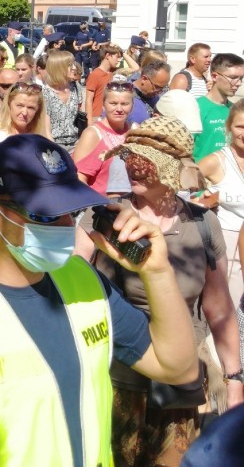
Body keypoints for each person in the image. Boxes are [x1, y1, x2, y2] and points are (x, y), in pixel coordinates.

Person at [0, 133, 200, 467]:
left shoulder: (83, 278)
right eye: (47, 216)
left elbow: (177, 367)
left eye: (70, 211)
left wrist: (157, 273)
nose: (66, 226)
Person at [100, 117, 243, 466]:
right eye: (129, 157)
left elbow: (219, 308)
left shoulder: (201, 222)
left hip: (182, 383)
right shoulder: (104, 217)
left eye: (145, 160)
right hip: (118, 381)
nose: (133, 166)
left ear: (170, 169)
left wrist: (235, 379)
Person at [199, 98, 244, 311]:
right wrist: (205, 198)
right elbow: (181, 186)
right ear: (229, 127)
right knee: (231, 310)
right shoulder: (216, 161)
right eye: (240, 126)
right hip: (230, 246)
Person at [0, 82, 48, 162]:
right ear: (9, 105)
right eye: (20, 105)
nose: (24, 113)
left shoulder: (39, 139)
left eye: (31, 108)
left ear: (37, 111)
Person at [193, 53, 244, 162]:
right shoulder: (195, 107)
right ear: (215, 76)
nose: (238, 83)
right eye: (233, 78)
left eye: (241, 78)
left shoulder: (234, 110)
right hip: (201, 175)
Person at [41, 50, 83, 152]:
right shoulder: (45, 92)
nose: (74, 67)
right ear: (58, 67)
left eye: (73, 64)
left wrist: (82, 140)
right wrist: (54, 149)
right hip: (54, 145)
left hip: (76, 143)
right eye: (69, 65)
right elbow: (46, 128)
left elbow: (81, 116)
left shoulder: (76, 87)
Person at [124, 60, 171, 126]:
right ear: (144, 79)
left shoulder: (156, 98)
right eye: (157, 87)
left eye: (163, 88)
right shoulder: (123, 96)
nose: (159, 92)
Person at [86, 43, 125, 122]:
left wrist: (122, 52)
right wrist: (89, 122)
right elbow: (88, 100)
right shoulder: (95, 74)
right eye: (117, 57)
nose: (118, 60)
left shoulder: (113, 72)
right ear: (107, 56)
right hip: (97, 117)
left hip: (110, 116)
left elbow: (135, 68)